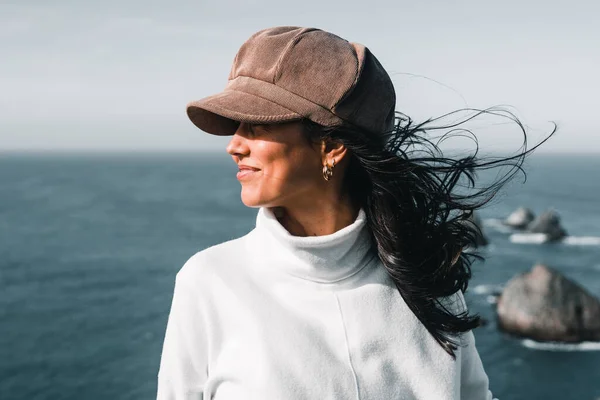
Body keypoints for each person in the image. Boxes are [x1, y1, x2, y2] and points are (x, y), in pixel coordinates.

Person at [156, 26, 553, 400]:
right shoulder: (210, 282)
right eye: (236, 124)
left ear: (331, 146)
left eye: (256, 124)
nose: (234, 144)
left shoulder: (424, 274)